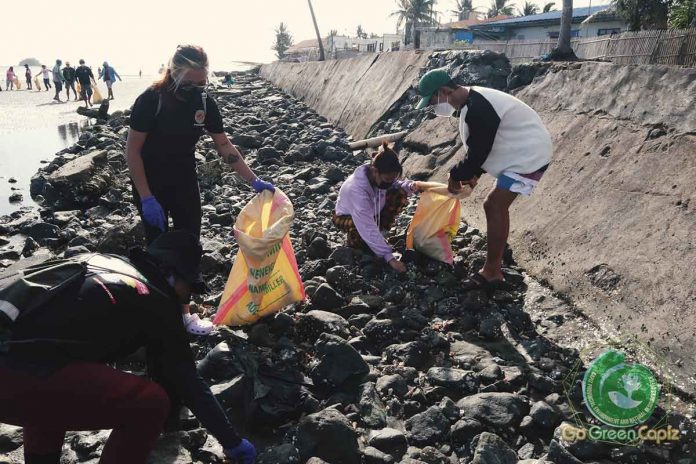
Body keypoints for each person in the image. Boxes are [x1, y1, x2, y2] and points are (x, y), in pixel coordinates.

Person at [0, 231, 257, 464]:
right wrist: (232, 442)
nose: (186, 299)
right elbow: (188, 382)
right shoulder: (156, 299)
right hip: (13, 375)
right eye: (188, 289)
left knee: (53, 370)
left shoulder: (102, 261)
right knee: (151, 404)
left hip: (17, 350)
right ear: (171, 275)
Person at [126, 44, 275, 335]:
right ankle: (156, 310)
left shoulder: (204, 104)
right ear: (173, 73)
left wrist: (253, 180)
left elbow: (223, 145)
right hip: (150, 183)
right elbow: (133, 152)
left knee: (188, 247)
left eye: (201, 83)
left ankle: (183, 314)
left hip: (183, 181)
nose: (195, 88)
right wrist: (146, 197)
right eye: (189, 83)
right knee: (157, 248)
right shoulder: (151, 100)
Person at [416, 68, 553, 290]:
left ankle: (492, 272)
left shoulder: (478, 107)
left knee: (494, 205)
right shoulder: (471, 101)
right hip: (518, 152)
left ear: (443, 91)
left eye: (432, 101)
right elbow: (484, 145)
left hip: (529, 156)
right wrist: (475, 174)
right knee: (495, 205)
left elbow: (479, 152)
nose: (433, 108)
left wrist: (456, 174)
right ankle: (495, 265)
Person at [334, 142, 423, 273]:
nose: (389, 182)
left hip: (373, 211)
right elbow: (366, 225)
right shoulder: (357, 189)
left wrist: (410, 186)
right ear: (375, 171)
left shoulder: (382, 176)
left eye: (392, 178)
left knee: (399, 193)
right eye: (387, 179)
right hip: (346, 217)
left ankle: (378, 237)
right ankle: (355, 245)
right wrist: (390, 258)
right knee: (360, 231)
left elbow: (396, 183)